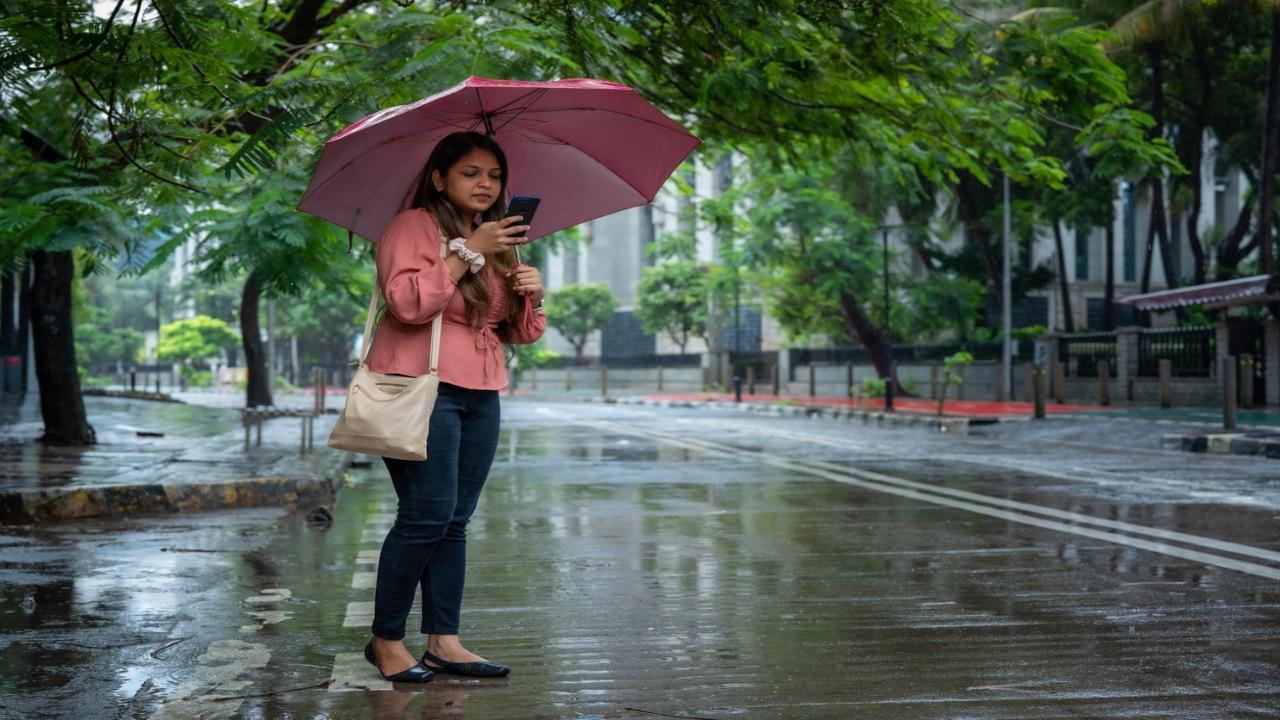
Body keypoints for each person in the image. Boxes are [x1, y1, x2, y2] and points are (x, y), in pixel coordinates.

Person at [361, 131, 545, 682]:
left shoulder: (497, 239)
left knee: (455, 522)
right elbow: (407, 303)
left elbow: (520, 331)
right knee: (426, 516)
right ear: (441, 177)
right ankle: (386, 640)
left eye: (493, 175)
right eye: (471, 173)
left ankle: (444, 640)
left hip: (481, 391)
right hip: (421, 386)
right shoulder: (413, 226)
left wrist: (529, 288)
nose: (485, 184)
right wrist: (469, 253)